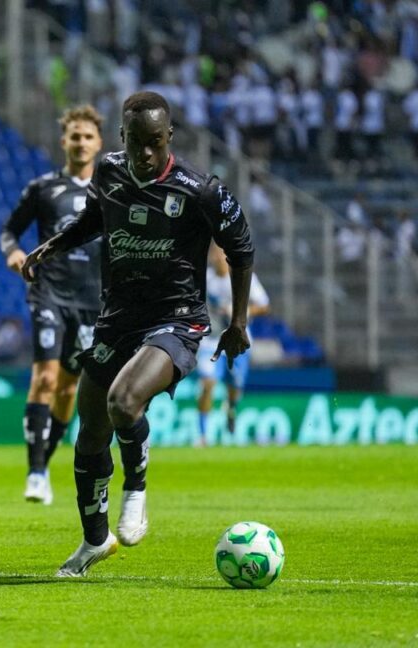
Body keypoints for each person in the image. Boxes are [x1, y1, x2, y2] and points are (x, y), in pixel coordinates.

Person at [21, 91, 255, 577]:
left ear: (169, 137)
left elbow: (242, 247)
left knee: (124, 402)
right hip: (118, 318)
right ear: (122, 137)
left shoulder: (200, 190)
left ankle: (137, 489)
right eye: (136, 143)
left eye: (155, 143)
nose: (145, 154)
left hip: (176, 319)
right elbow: (94, 218)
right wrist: (56, 244)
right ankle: (93, 541)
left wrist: (238, 322)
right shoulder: (109, 171)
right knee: (89, 435)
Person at [0, 104, 104, 506]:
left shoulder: (110, 192)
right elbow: (10, 230)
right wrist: (14, 252)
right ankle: (36, 471)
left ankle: (45, 459)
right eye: (74, 135)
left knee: (67, 391)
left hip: (92, 302)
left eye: (87, 136)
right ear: (64, 141)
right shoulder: (43, 188)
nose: (80, 142)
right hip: (49, 293)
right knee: (44, 378)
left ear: (98, 144)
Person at [195, 245, 270, 445]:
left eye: (221, 254)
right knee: (207, 384)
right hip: (210, 341)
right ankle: (203, 437)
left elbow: (263, 305)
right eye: (214, 254)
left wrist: (240, 312)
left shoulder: (242, 278)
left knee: (234, 387)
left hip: (237, 339)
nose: (218, 258)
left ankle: (231, 408)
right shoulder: (205, 279)